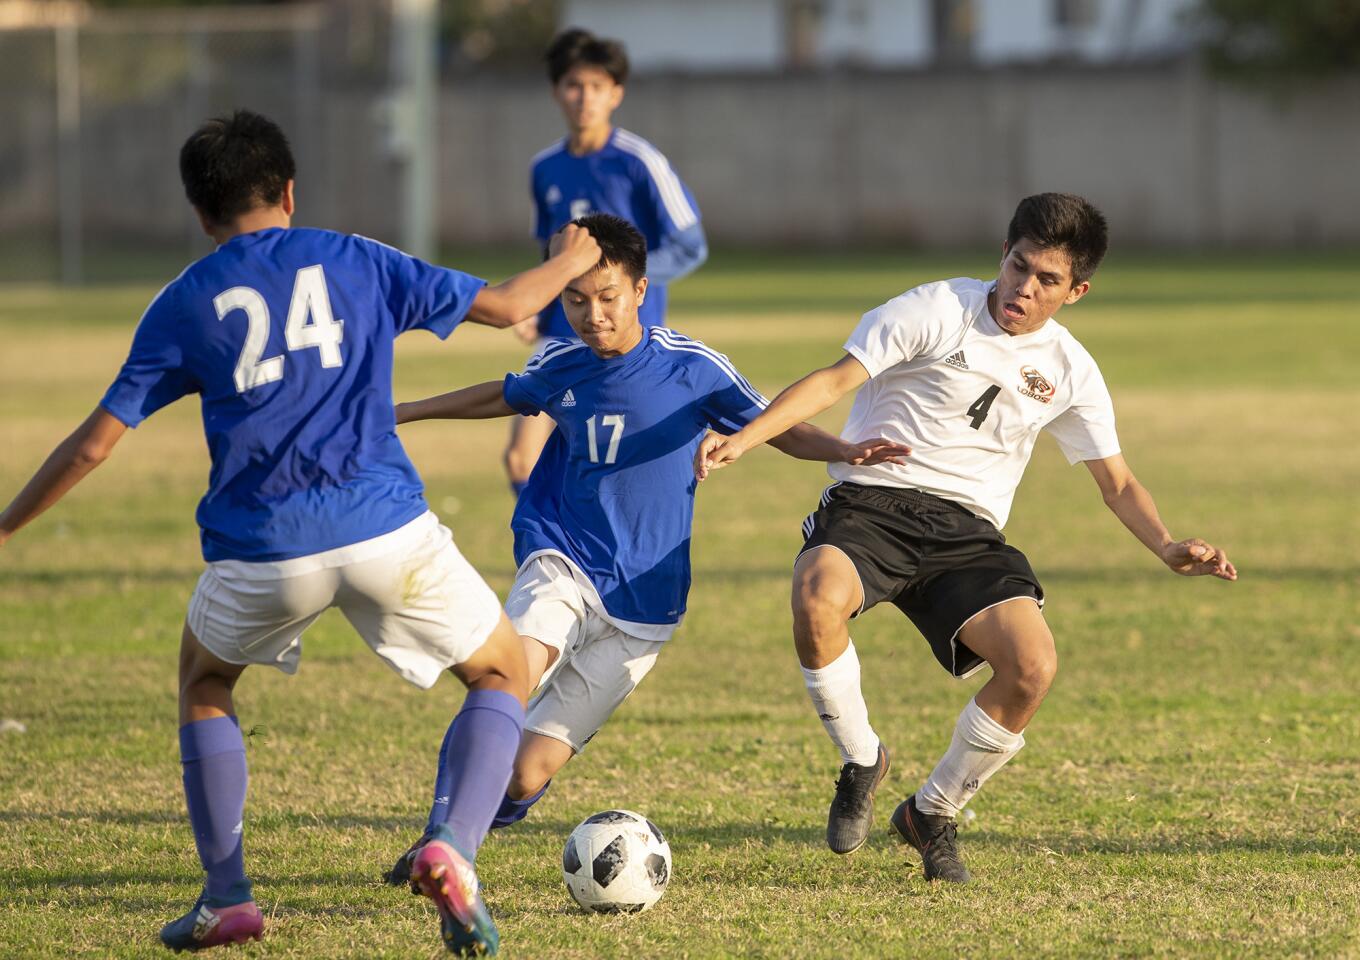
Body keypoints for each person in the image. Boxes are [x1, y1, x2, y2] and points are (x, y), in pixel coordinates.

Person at [0, 110, 601, 955]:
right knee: (503, 670)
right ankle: (453, 849)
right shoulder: (356, 256)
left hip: (262, 549)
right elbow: (506, 309)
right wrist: (572, 259)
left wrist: (5, 527)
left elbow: (97, 442)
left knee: (205, 681)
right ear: (289, 191)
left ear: (202, 215)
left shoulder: (184, 301)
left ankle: (229, 898)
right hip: (386, 531)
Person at [696, 193, 1237, 883]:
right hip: (874, 504)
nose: (1024, 288)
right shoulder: (933, 309)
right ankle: (862, 757)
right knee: (815, 598)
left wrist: (1166, 545)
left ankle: (932, 814)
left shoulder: (1070, 369)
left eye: (1047, 280)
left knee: (1033, 666)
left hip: (967, 534)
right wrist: (746, 440)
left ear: (1077, 291)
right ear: (1002, 256)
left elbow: (1118, 483)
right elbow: (835, 380)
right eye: (1018, 267)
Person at [383, 214, 907, 881]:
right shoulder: (560, 362)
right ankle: (442, 842)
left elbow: (777, 426)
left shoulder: (691, 368)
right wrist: (406, 411)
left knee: (523, 774)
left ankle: (477, 822)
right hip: (563, 559)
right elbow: (505, 394)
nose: (592, 314)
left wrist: (841, 448)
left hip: (644, 606)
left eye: (607, 298)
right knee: (508, 674)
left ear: (638, 290)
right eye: (575, 300)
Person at [503, 27, 709, 496]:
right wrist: (536, 305)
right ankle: (555, 546)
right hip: (561, 333)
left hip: (628, 338)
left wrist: (616, 284)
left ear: (616, 94)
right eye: (574, 85)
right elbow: (548, 250)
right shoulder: (544, 167)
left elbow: (691, 244)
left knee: (619, 465)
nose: (584, 98)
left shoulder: (640, 162)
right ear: (557, 91)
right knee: (521, 455)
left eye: (597, 86)